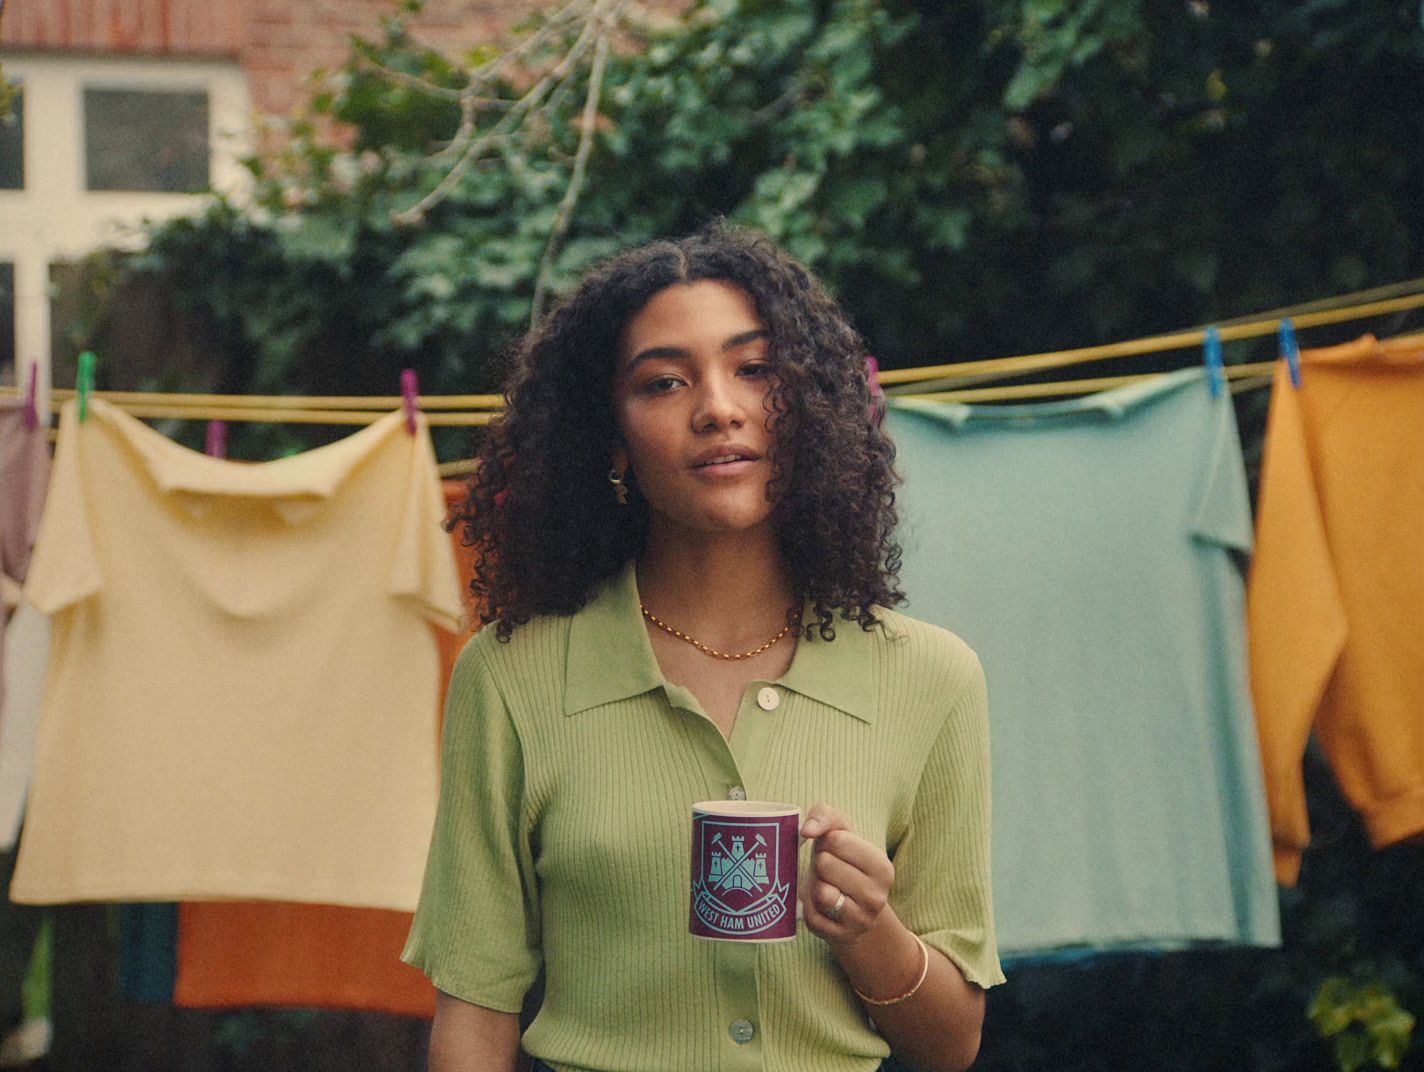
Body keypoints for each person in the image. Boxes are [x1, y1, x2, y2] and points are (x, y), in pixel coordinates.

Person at [403, 221, 1004, 1072]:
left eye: (754, 370)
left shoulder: (934, 679)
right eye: (663, 382)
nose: (718, 407)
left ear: (808, 407)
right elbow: (473, 1017)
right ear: (609, 435)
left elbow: (954, 1046)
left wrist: (872, 933)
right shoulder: (510, 677)